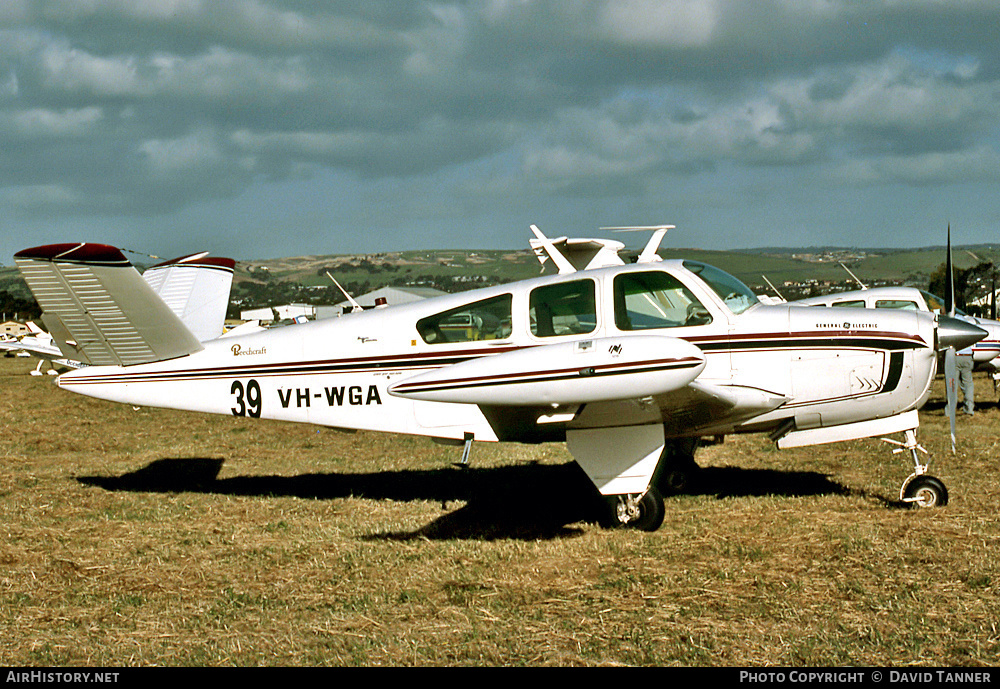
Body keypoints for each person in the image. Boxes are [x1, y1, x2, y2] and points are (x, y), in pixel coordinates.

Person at [956, 344, 975, 415]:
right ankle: (969, 409)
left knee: (951, 384)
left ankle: (950, 410)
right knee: (968, 384)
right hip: (967, 355)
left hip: (955, 355)